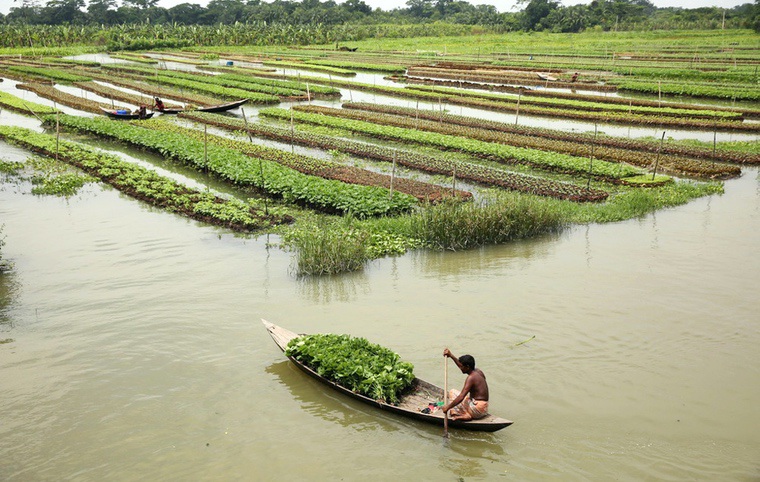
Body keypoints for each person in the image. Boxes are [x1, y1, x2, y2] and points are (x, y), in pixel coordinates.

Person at [442, 348, 489, 421]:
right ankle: (467, 414)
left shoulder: (471, 378)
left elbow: (461, 397)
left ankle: (459, 414)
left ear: (467, 367)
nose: (460, 368)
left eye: (462, 367)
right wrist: (451, 355)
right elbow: (461, 365)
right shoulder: (478, 372)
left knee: (452, 392)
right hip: (484, 409)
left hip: (477, 411)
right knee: (462, 398)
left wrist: (447, 407)